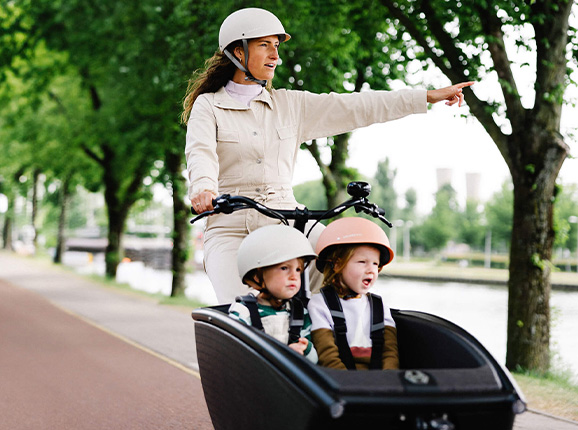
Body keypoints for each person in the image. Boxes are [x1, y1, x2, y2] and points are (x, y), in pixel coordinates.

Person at [181, 7, 474, 303]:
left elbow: (358, 105)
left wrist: (425, 96)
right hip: (230, 224)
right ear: (238, 52)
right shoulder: (208, 106)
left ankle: (343, 339)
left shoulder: (290, 105)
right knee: (240, 306)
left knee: (343, 264)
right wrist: (203, 188)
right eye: (264, 45)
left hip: (287, 218)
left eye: (277, 46)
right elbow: (200, 152)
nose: (275, 55)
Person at [308, 217, 399, 370]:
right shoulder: (320, 304)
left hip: (379, 381)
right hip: (342, 382)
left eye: (375, 264)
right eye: (362, 262)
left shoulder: (379, 305)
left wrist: (387, 380)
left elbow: (390, 353)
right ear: (337, 265)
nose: (371, 269)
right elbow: (327, 355)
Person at [228, 224, 318, 363]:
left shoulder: (300, 312)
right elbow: (233, 353)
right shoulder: (244, 311)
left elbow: (315, 360)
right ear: (258, 276)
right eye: (284, 268)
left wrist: (305, 349)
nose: (294, 276)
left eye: (298, 270)